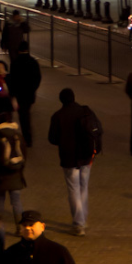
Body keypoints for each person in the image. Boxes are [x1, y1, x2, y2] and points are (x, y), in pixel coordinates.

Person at [48, 88, 97, 237]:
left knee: (73, 189)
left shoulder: (58, 116)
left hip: (69, 157)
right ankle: (83, 218)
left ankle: (78, 223)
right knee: (83, 187)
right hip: (86, 156)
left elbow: (53, 139)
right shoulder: (85, 111)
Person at [7, 42, 41, 147]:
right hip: (29, 94)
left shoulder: (15, 62)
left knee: (22, 116)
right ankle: (28, 138)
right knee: (26, 115)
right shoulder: (33, 62)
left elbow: (12, 79)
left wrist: (12, 94)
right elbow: (38, 78)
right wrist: (33, 89)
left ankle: (22, 137)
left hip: (19, 94)